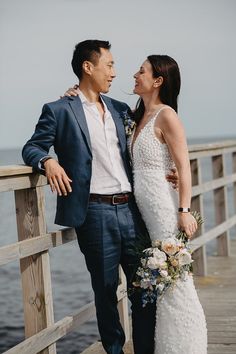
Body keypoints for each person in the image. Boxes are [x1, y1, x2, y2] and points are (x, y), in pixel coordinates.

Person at [22, 40, 178, 354]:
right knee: (105, 291)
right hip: (94, 213)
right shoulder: (59, 109)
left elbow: (152, 134)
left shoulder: (122, 110)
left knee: (144, 287)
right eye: (109, 64)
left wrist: (167, 167)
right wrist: (48, 161)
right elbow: (32, 147)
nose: (115, 72)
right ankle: (115, 350)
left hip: (133, 211)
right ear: (88, 67)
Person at [129, 55, 207, 353]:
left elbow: (183, 168)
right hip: (141, 209)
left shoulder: (167, 116)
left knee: (173, 278)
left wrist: (184, 210)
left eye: (141, 71)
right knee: (159, 284)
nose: (135, 75)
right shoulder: (138, 116)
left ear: (158, 80)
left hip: (161, 206)